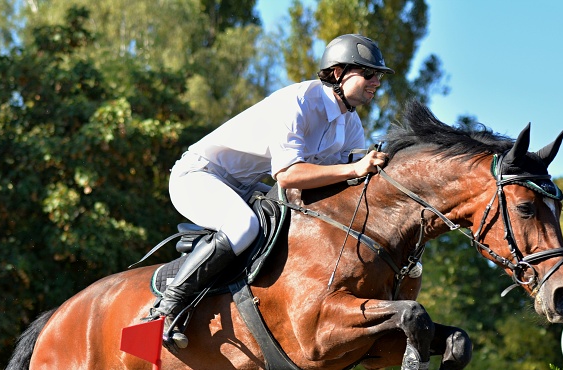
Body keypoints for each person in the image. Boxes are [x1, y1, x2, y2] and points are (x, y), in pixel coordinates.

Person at [151, 33, 393, 348]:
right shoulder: (298, 102)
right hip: (199, 175)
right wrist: (355, 168)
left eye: (378, 77)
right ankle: (166, 308)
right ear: (337, 73)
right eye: (368, 74)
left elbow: (337, 186)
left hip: (245, 186)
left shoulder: (351, 125)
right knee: (243, 226)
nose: (376, 82)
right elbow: (289, 175)